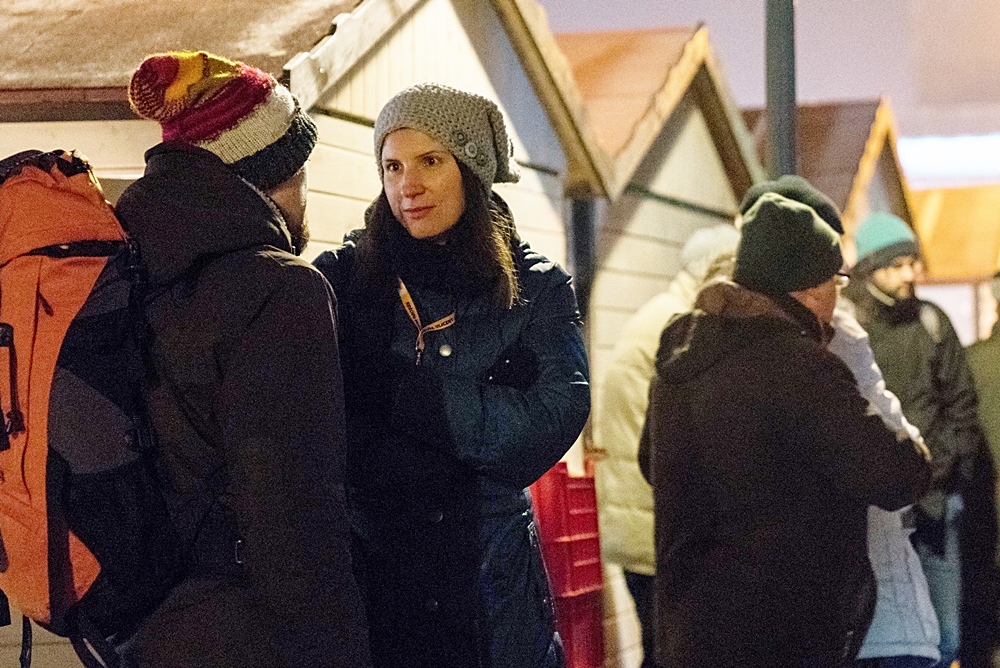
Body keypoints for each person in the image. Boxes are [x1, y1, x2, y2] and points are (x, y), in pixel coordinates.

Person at [312, 83, 590, 668]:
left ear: (471, 170)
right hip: (376, 577)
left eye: (430, 162)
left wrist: (408, 398)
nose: (407, 185)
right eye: (392, 166)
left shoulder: (534, 288)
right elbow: (311, 427)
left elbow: (551, 418)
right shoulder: (343, 280)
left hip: (490, 585)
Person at [115, 51, 370, 667]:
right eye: (301, 171)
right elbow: (295, 514)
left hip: (140, 621)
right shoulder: (280, 291)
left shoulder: (125, 265)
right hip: (247, 629)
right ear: (268, 176)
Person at [639, 192, 932, 668]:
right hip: (782, 628)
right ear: (812, 288)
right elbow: (892, 474)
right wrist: (914, 448)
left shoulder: (682, 359)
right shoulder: (803, 368)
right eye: (835, 280)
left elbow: (649, 464)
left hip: (691, 629)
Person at [740, 178, 941, 668]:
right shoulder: (826, 346)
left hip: (777, 617)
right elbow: (892, 464)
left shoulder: (701, 342)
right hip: (856, 612)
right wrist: (918, 457)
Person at [844, 213, 992, 668]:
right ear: (871, 268)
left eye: (913, 263)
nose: (910, 274)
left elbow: (962, 404)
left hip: (935, 499)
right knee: (881, 640)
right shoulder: (848, 326)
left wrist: (944, 469)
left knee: (944, 635)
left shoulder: (931, 321)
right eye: (897, 265)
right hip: (873, 508)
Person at [593, 223, 739, 668]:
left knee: (663, 649)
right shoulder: (678, 326)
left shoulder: (661, 314)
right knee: (673, 652)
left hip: (639, 518)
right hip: (654, 523)